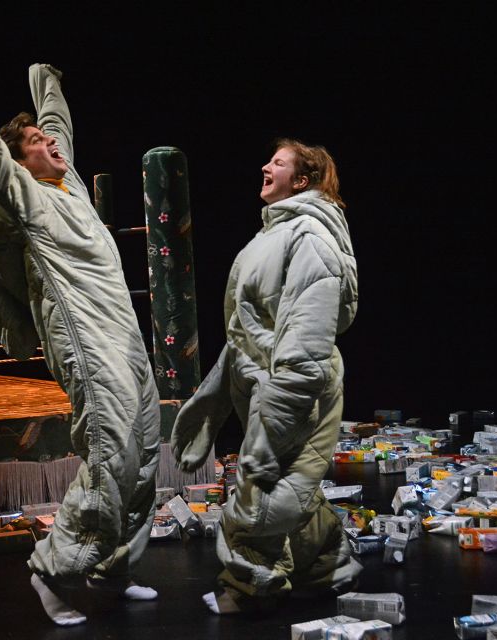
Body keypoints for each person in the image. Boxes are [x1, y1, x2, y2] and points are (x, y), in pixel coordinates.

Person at [0, 51, 161, 626]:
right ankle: (51, 569)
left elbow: (59, 127)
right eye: (36, 141)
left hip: (122, 333)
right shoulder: (26, 198)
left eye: (49, 140)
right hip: (83, 337)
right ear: (19, 161)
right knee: (111, 443)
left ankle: (113, 567)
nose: (51, 144)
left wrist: (46, 82)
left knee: (145, 448)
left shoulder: (67, 182)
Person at [172, 139, 362, 614]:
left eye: (278, 162)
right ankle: (327, 569)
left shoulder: (310, 239)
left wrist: (271, 424)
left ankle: (248, 587)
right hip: (267, 381)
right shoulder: (272, 235)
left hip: (294, 386)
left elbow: (305, 343)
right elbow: (246, 329)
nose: (264, 165)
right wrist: (212, 399)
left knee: (261, 492)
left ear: (302, 180)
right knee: (291, 488)